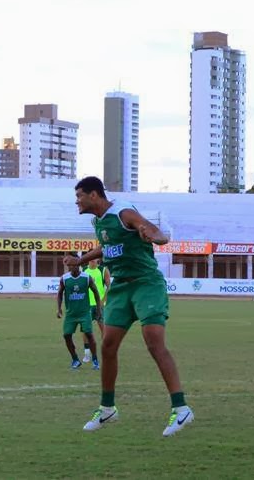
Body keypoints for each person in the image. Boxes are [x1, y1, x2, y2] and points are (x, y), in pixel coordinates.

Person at [66, 176, 194, 437]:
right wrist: (80, 261)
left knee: (153, 341)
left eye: (79, 195)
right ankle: (107, 408)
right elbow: (106, 246)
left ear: (94, 195)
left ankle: (181, 409)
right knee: (108, 345)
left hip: (146, 284)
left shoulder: (123, 212)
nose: (76, 201)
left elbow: (154, 231)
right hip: (121, 288)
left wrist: (155, 236)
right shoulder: (98, 221)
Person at [57, 262, 101, 370]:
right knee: (66, 335)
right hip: (71, 314)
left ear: (78, 265)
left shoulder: (86, 278)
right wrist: (59, 309)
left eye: (74, 265)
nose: (72, 267)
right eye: (70, 265)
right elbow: (59, 293)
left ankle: (95, 360)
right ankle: (75, 360)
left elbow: (96, 292)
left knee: (89, 334)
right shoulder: (64, 278)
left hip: (84, 313)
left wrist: (99, 310)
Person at [82, 259, 110, 362]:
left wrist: (103, 301)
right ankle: (87, 354)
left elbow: (109, 286)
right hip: (86, 305)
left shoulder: (103, 270)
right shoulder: (83, 270)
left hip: (100, 306)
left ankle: (106, 352)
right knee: (85, 329)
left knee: (104, 329)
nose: (93, 260)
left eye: (95, 258)